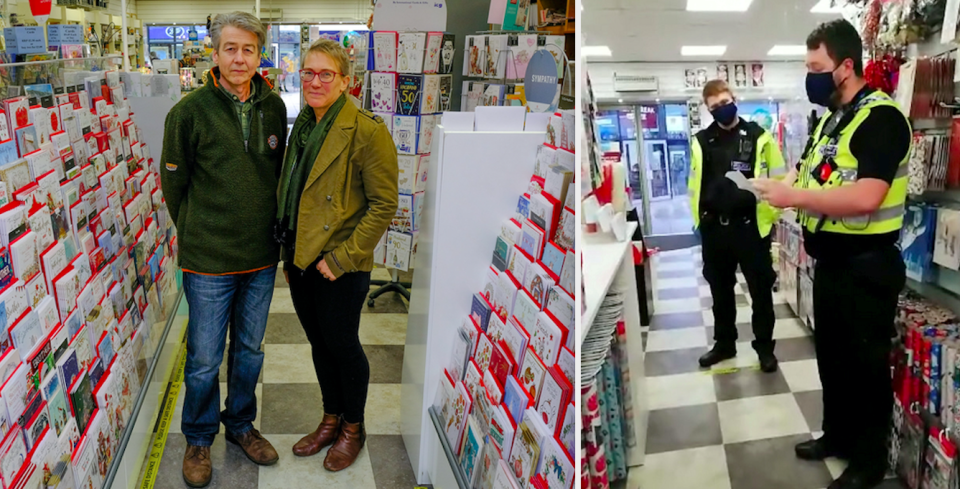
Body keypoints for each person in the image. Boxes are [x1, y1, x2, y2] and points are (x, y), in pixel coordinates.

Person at [753, 19, 911, 489]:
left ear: (845, 66)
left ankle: (868, 463)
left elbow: (867, 196)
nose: (811, 76)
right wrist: (768, 187)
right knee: (833, 361)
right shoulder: (829, 121)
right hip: (832, 264)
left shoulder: (881, 118)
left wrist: (794, 199)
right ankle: (837, 436)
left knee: (866, 368)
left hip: (869, 267)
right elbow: (806, 177)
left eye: (815, 66)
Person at [160, 11, 287, 488]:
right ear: (214, 54)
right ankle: (197, 437)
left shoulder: (273, 107)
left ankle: (239, 426)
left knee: (250, 351)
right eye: (230, 48)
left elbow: (274, 176)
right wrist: (199, 231)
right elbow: (174, 185)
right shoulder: (188, 113)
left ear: (259, 55)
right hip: (208, 260)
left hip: (259, 257)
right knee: (204, 359)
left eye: (248, 49)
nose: (239, 57)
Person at [276, 39, 398, 471]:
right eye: (308, 73)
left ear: (346, 81)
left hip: (339, 264)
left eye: (326, 74)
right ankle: (330, 417)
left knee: (343, 346)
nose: (315, 81)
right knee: (318, 344)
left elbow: (384, 204)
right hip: (302, 258)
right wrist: (289, 253)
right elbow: (295, 193)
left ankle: (353, 427)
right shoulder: (304, 123)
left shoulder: (367, 131)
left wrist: (343, 258)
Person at [688, 79, 786, 373]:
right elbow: (695, 183)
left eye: (725, 102)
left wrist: (771, 218)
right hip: (715, 229)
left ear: (735, 99)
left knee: (760, 292)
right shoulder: (702, 141)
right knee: (720, 291)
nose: (722, 109)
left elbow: (779, 179)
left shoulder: (760, 137)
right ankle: (724, 344)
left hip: (751, 228)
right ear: (708, 109)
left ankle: (765, 348)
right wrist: (699, 222)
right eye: (715, 106)